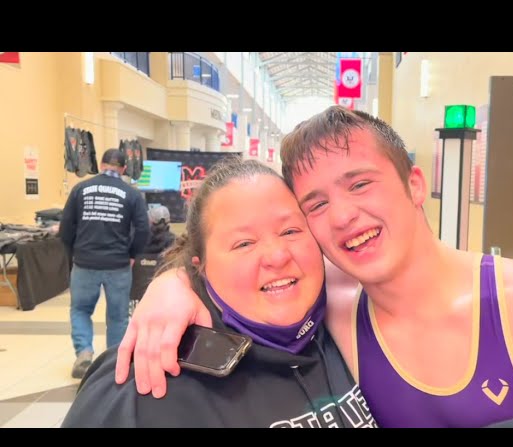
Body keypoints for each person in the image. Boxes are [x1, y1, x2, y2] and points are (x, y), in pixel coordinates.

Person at [118, 106, 513, 428]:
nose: (344, 216)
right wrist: (176, 279)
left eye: (361, 183)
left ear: (415, 184)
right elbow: (250, 273)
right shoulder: (333, 309)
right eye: (316, 204)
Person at [61, 159, 376, 428]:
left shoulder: (352, 324)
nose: (277, 256)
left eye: (290, 231)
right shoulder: (145, 382)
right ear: (201, 266)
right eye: (244, 243)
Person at [60, 148, 150, 379]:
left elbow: (66, 227)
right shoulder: (131, 194)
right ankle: (114, 360)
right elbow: (143, 229)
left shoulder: (80, 189)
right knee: (118, 316)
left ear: (101, 165)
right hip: (118, 264)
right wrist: (133, 254)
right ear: (122, 168)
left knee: (80, 309)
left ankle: (84, 355)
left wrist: (74, 253)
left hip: (84, 261)